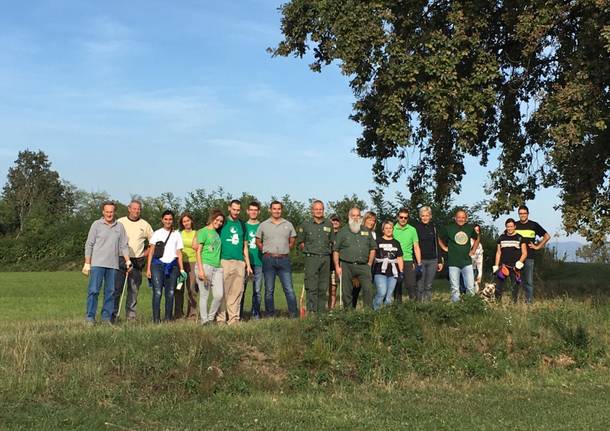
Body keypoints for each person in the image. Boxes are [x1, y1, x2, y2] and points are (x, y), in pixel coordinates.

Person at [83, 201, 131, 324]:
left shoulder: (119, 226)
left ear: (115, 212)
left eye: (111, 212)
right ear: (103, 212)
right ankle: (90, 317)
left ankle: (106, 318)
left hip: (113, 265)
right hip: (97, 264)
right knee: (94, 291)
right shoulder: (96, 225)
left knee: (110, 292)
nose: (109, 214)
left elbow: (124, 245)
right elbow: (89, 244)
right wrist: (87, 262)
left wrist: (127, 261)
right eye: (107, 212)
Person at [112, 199, 152, 322]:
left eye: (138, 209)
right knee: (117, 289)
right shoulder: (120, 222)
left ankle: (131, 317)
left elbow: (153, 243)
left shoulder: (145, 225)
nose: (136, 211)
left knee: (133, 290)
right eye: (134, 208)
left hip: (137, 261)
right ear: (129, 209)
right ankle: (113, 316)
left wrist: (144, 254)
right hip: (120, 259)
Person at [256, 201, 298, 317]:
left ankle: (294, 314)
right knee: (269, 290)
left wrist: (285, 249)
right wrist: (265, 250)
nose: (276, 211)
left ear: (281, 210)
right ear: (270, 210)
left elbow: (293, 239)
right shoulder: (263, 224)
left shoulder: (288, 224)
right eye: (274, 209)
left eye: (279, 209)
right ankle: (270, 315)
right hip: (269, 259)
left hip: (284, 260)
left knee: (289, 289)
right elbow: (258, 241)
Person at [146, 210, 186, 323]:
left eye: (170, 219)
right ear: (162, 220)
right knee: (157, 292)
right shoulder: (157, 233)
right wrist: (148, 268)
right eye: (166, 219)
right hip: (157, 265)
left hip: (172, 266)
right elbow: (151, 251)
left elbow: (179, 253)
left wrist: (182, 269)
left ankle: (168, 318)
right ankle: (156, 319)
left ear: (173, 220)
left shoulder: (177, 234)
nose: (168, 221)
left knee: (171, 292)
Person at [332, 207, 377, 309]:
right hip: (346, 265)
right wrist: (337, 267)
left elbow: (373, 248)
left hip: (364, 266)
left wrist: (369, 263)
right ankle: (348, 314)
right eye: (353, 216)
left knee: (368, 290)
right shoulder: (343, 231)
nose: (356, 218)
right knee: (347, 292)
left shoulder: (366, 231)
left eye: (358, 216)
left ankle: (368, 313)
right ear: (349, 217)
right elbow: (336, 250)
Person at [218, 200, 252, 325]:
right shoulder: (222, 222)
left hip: (239, 262)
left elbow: (245, 247)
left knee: (237, 292)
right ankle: (220, 319)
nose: (236, 212)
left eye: (238, 210)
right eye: (234, 209)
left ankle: (233, 319)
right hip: (224, 261)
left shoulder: (242, 225)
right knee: (222, 292)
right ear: (229, 208)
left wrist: (247, 264)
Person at [297, 200, 333, 313]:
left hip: (325, 258)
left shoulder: (329, 224)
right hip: (311, 258)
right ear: (312, 210)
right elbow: (301, 242)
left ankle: (321, 312)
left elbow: (332, 242)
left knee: (323, 287)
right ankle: (312, 311)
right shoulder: (305, 224)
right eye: (316, 209)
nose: (318, 211)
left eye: (320, 209)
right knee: (311, 286)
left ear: (323, 210)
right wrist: (309, 252)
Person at [438, 209, 480, 302]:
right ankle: (456, 309)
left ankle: (470, 306)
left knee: (470, 287)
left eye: (463, 217)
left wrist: (473, 250)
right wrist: (444, 247)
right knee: (455, 288)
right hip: (453, 262)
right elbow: (438, 237)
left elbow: (477, 238)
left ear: (466, 219)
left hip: (467, 262)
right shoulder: (449, 228)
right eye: (459, 217)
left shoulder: (469, 228)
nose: (461, 219)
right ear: (455, 218)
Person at [514, 205, 550, 303]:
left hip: (529, 257)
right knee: (516, 281)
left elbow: (547, 236)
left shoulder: (534, 225)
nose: (522, 215)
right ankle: (514, 301)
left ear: (528, 214)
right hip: (516, 258)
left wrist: (537, 246)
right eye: (520, 213)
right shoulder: (515, 225)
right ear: (518, 214)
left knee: (528, 281)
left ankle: (528, 302)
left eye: (524, 213)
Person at [194, 210, 225, 323]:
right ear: (212, 219)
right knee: (204, 295)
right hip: (205, 265)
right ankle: (204, 321)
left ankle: (211, 317)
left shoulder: (217, 233)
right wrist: (201, 270)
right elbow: (198, 251)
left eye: (221, 221)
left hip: (217, 267)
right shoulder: (203, 231)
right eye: (217, 220)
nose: (219, 222)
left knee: (219, 295)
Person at [412, 206, 443, 302]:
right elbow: (413, 246)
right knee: (420, 286)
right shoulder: (415, 228)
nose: (425, 217)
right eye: (423, 215)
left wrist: (440, 260)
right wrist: (414, 261)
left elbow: (437, 244)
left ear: (430, 216)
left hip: (432, 260)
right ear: (420, 216)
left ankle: (428, 307)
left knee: (428, 286)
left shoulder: (433, 228)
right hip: (420, 261)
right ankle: (418, 307)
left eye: (427, 215)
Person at [493, 218, 527, 301]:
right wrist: (496, 265)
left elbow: (524, 253)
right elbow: (498, 252)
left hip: (515, 267)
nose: (510, 228)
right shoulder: (501, 238)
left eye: (511, 226)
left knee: (515, 287)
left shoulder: (520, 238)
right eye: (508, 226)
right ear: (506, 227)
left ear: (515, 226)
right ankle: (498, 303)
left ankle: (514, 304)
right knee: (498, 286)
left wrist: (520, 262)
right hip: (503, 266)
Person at [373, 221, 404, 310]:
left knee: (389, 295)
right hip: (380, 271)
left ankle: (387, 315)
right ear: (383, 230)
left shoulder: (396, 242)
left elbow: (399, 257)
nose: (388, 230)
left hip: (393, 272)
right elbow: (373, 255)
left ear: (393, 229)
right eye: (386, 228)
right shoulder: (377, 241)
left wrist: (401, 271)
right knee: (382, 292)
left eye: (390, 228)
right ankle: (376, 311)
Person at [240, 201, 264, 320]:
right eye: (251, 210)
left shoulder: (263, 226)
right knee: (241, 289)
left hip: (259, 262)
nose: (253, 212)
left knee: (257, 291)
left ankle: (255, 314)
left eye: (256, 210)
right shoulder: (243, 226)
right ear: (247, 211)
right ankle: (238, 314)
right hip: (244, 263)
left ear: (259, 212)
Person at [393, 208, 421, 303]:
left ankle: (414, 308)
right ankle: (398, 309)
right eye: (401, 217)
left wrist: (419, 263)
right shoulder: (392, 229)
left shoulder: (412, 230)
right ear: (397, 217)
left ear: (408, 218)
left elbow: (416, 247)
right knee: (397, 286)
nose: (403, 219)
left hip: (408, 261)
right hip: (395, 261)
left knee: (411, 286)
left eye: (405, 217)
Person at [352, 211, 377, 307]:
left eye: (373, 221)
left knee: (368, 290)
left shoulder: (374, 234)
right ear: (364, 220)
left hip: (370, 266)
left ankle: (367, 312)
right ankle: (351, 312)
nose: (371, 222)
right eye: (369, 220)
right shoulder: (358, 232)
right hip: (358, 265)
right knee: (355, 290)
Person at [177, 212, 198, 320]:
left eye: (188, 221)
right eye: (184, 221)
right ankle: (179, 313)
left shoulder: (197, 233)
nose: (186, 223)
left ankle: (192, 314)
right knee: (179, 288)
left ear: (191, 221)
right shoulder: (178, 233)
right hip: (180, 263)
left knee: (191, 288)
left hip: (193, 262)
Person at [459, 225, 483, 294]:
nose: (476, 232)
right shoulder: (465, 242)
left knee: (471, 287)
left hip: (473, 269)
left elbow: (480, 261)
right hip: (464, 268)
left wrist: (480, 274)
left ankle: (470, 302)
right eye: (474, 230)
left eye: (478, 231)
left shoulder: (480, 245)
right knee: (462, 287)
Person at [328, 215, 342, 309]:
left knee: (333, 290)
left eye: (337, 221)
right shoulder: (326, 233)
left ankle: (331, 310)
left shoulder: (342, 235)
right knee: (322, 289)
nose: (335, 222)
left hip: (336, 266)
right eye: (333, 221)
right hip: (325, 264)